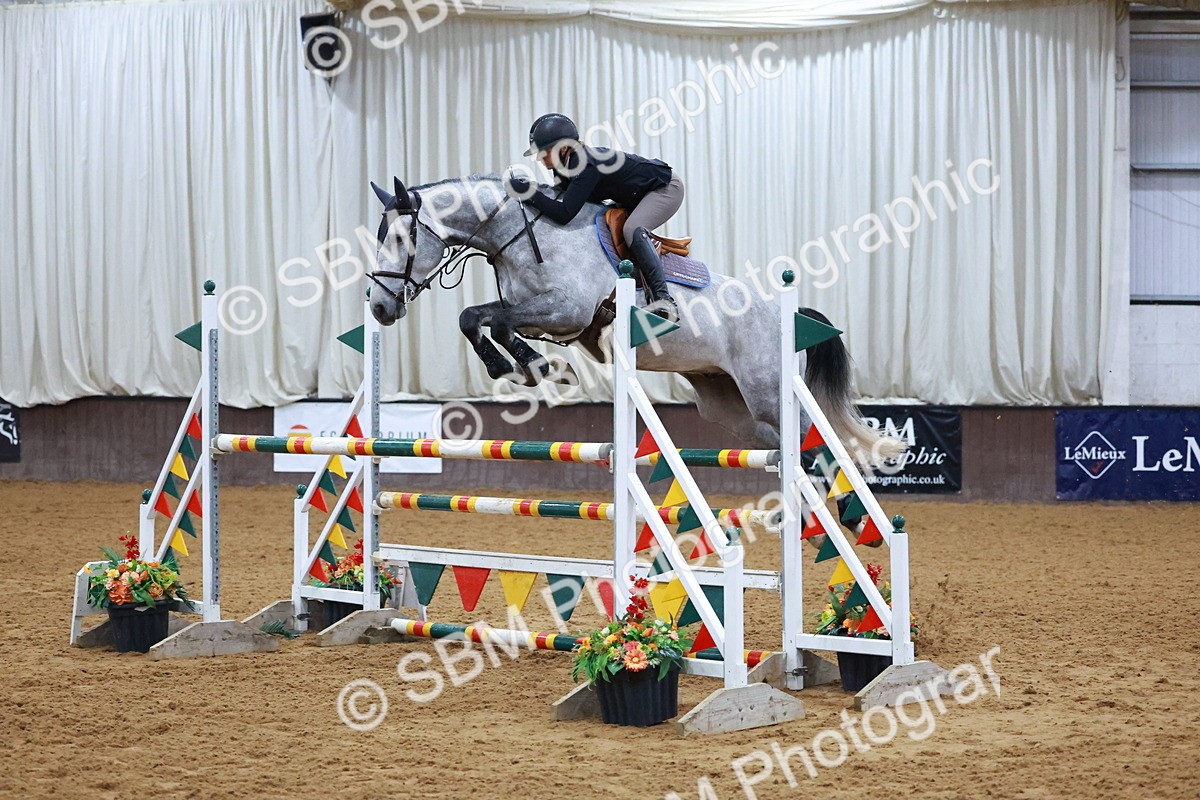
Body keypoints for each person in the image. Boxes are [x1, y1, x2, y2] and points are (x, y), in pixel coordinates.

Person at [505, 113, 683, 320]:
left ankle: (664, 299)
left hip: (665, 188)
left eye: (544, 152)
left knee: (631, 229)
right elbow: (557, 200)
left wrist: (528, 192)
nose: (539, 158)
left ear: (563, 148)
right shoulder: (563, 167)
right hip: (632, 196)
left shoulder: (584, 163)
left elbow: (564, 214)